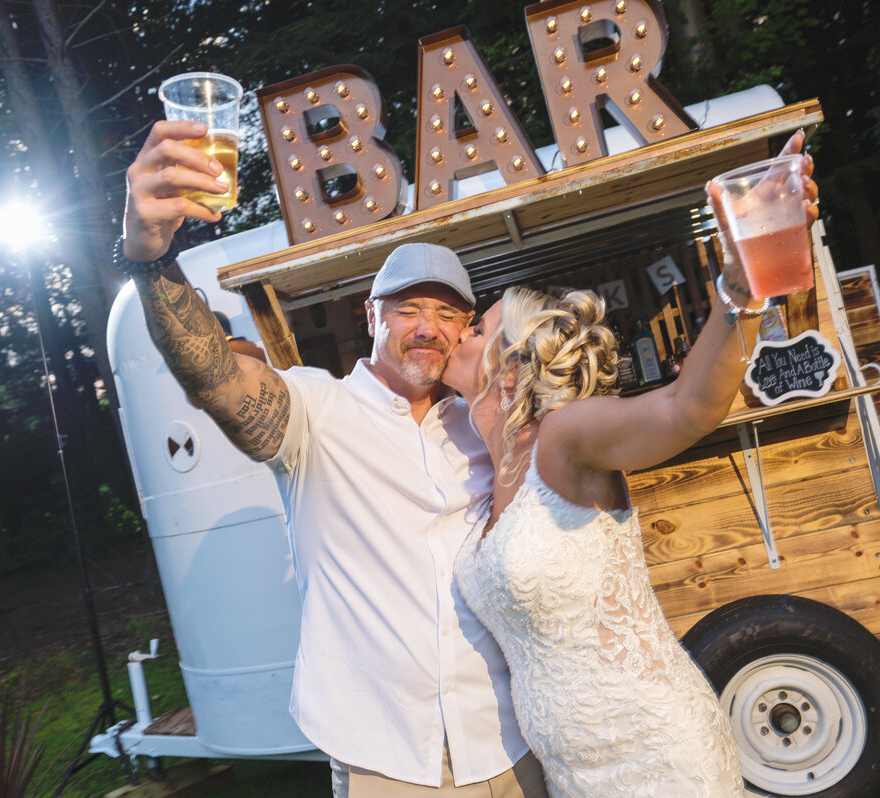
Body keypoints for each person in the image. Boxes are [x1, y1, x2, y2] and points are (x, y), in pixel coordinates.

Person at [115, 119, 548, 797]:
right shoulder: (316, 411)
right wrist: (149, 261)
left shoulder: (485, 423)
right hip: (387, 759)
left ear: (467, 329)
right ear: (372, 315)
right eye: (409, 308)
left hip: (507, 738)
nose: (428, 327)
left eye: (446, 312)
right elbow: (216, 380)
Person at [439, 135, 818, 797]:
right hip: (575, 775)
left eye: (477, 328)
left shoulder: (564, 436)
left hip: (654, 757)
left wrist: (738, 284)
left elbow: (684, 408)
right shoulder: (486, 472)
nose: (460, 332)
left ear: (513, 361)